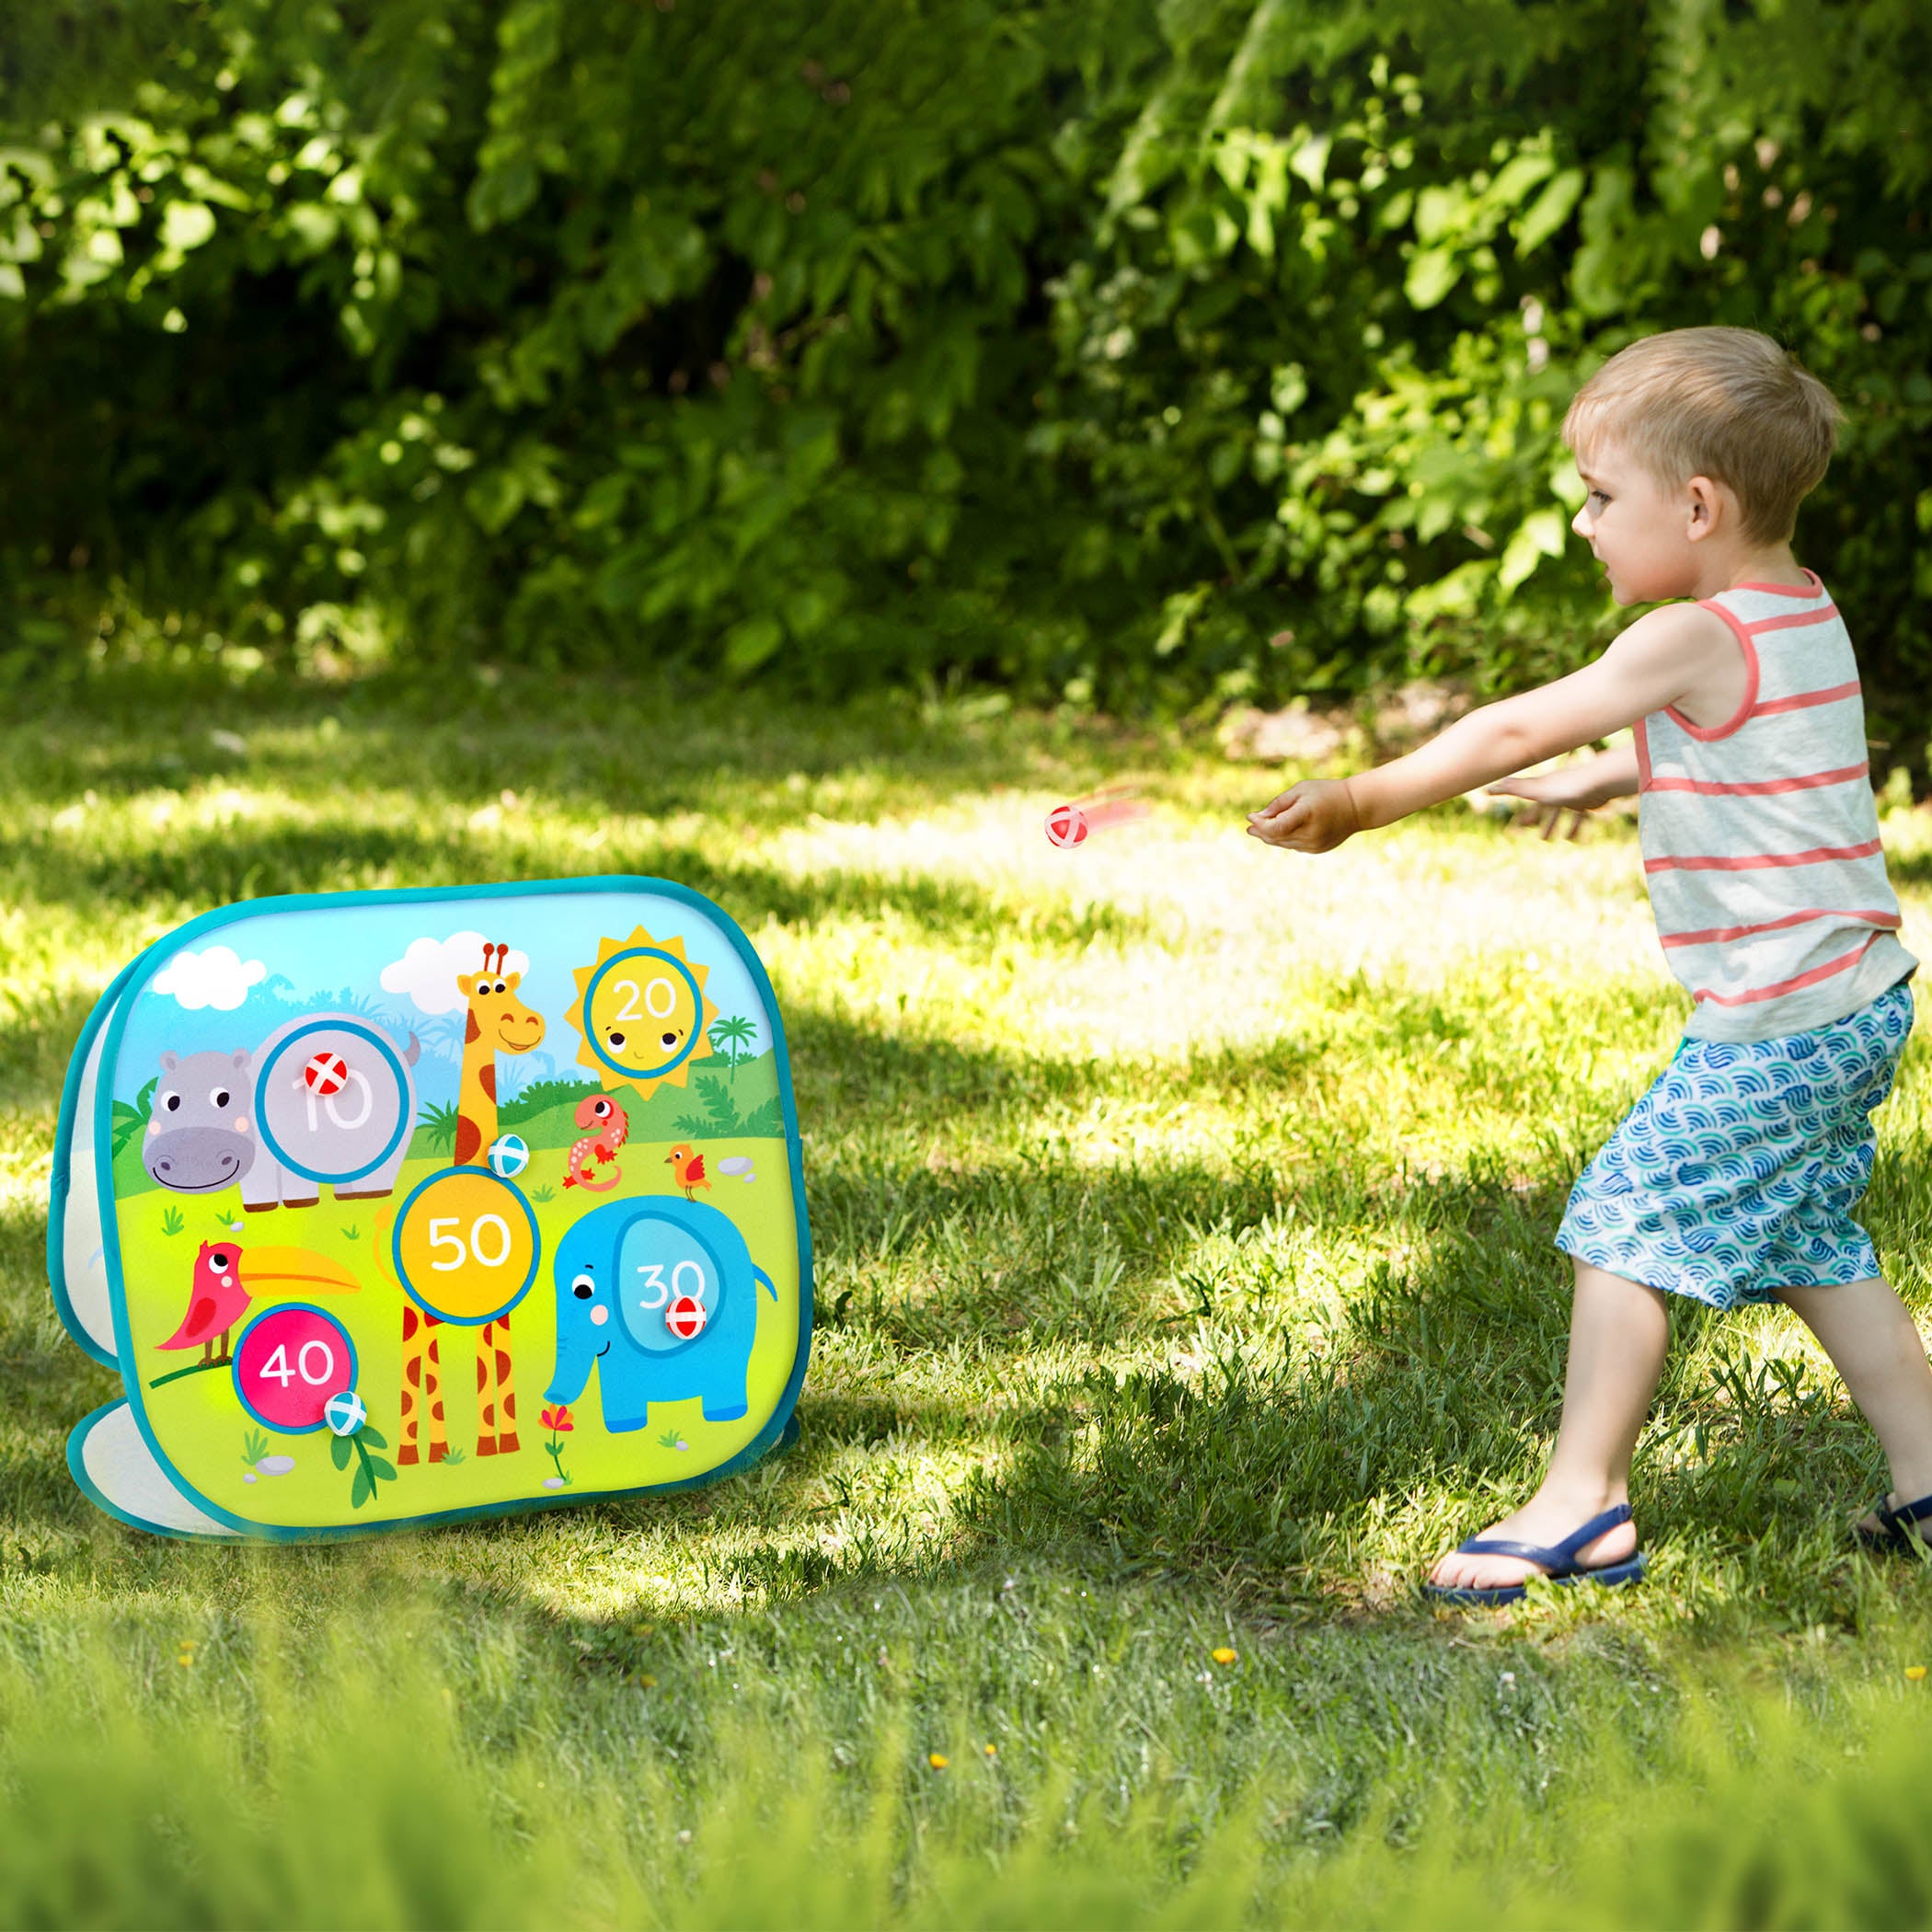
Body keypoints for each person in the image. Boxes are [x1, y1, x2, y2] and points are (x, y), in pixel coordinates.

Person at [1247, 326, 1925, 1604]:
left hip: (1779, 1016)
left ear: (1698, 507)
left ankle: (1584, 1503)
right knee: (1809, 1242)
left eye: (1603, 497)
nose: (1584, 523)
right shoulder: (1802, 605)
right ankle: (1931, 1480)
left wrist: (1362, 798)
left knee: (1624, 1219)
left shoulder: (1690, 634)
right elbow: (1766, 753)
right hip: (1855, 999)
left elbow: (1515, 725)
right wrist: (1615, 776)